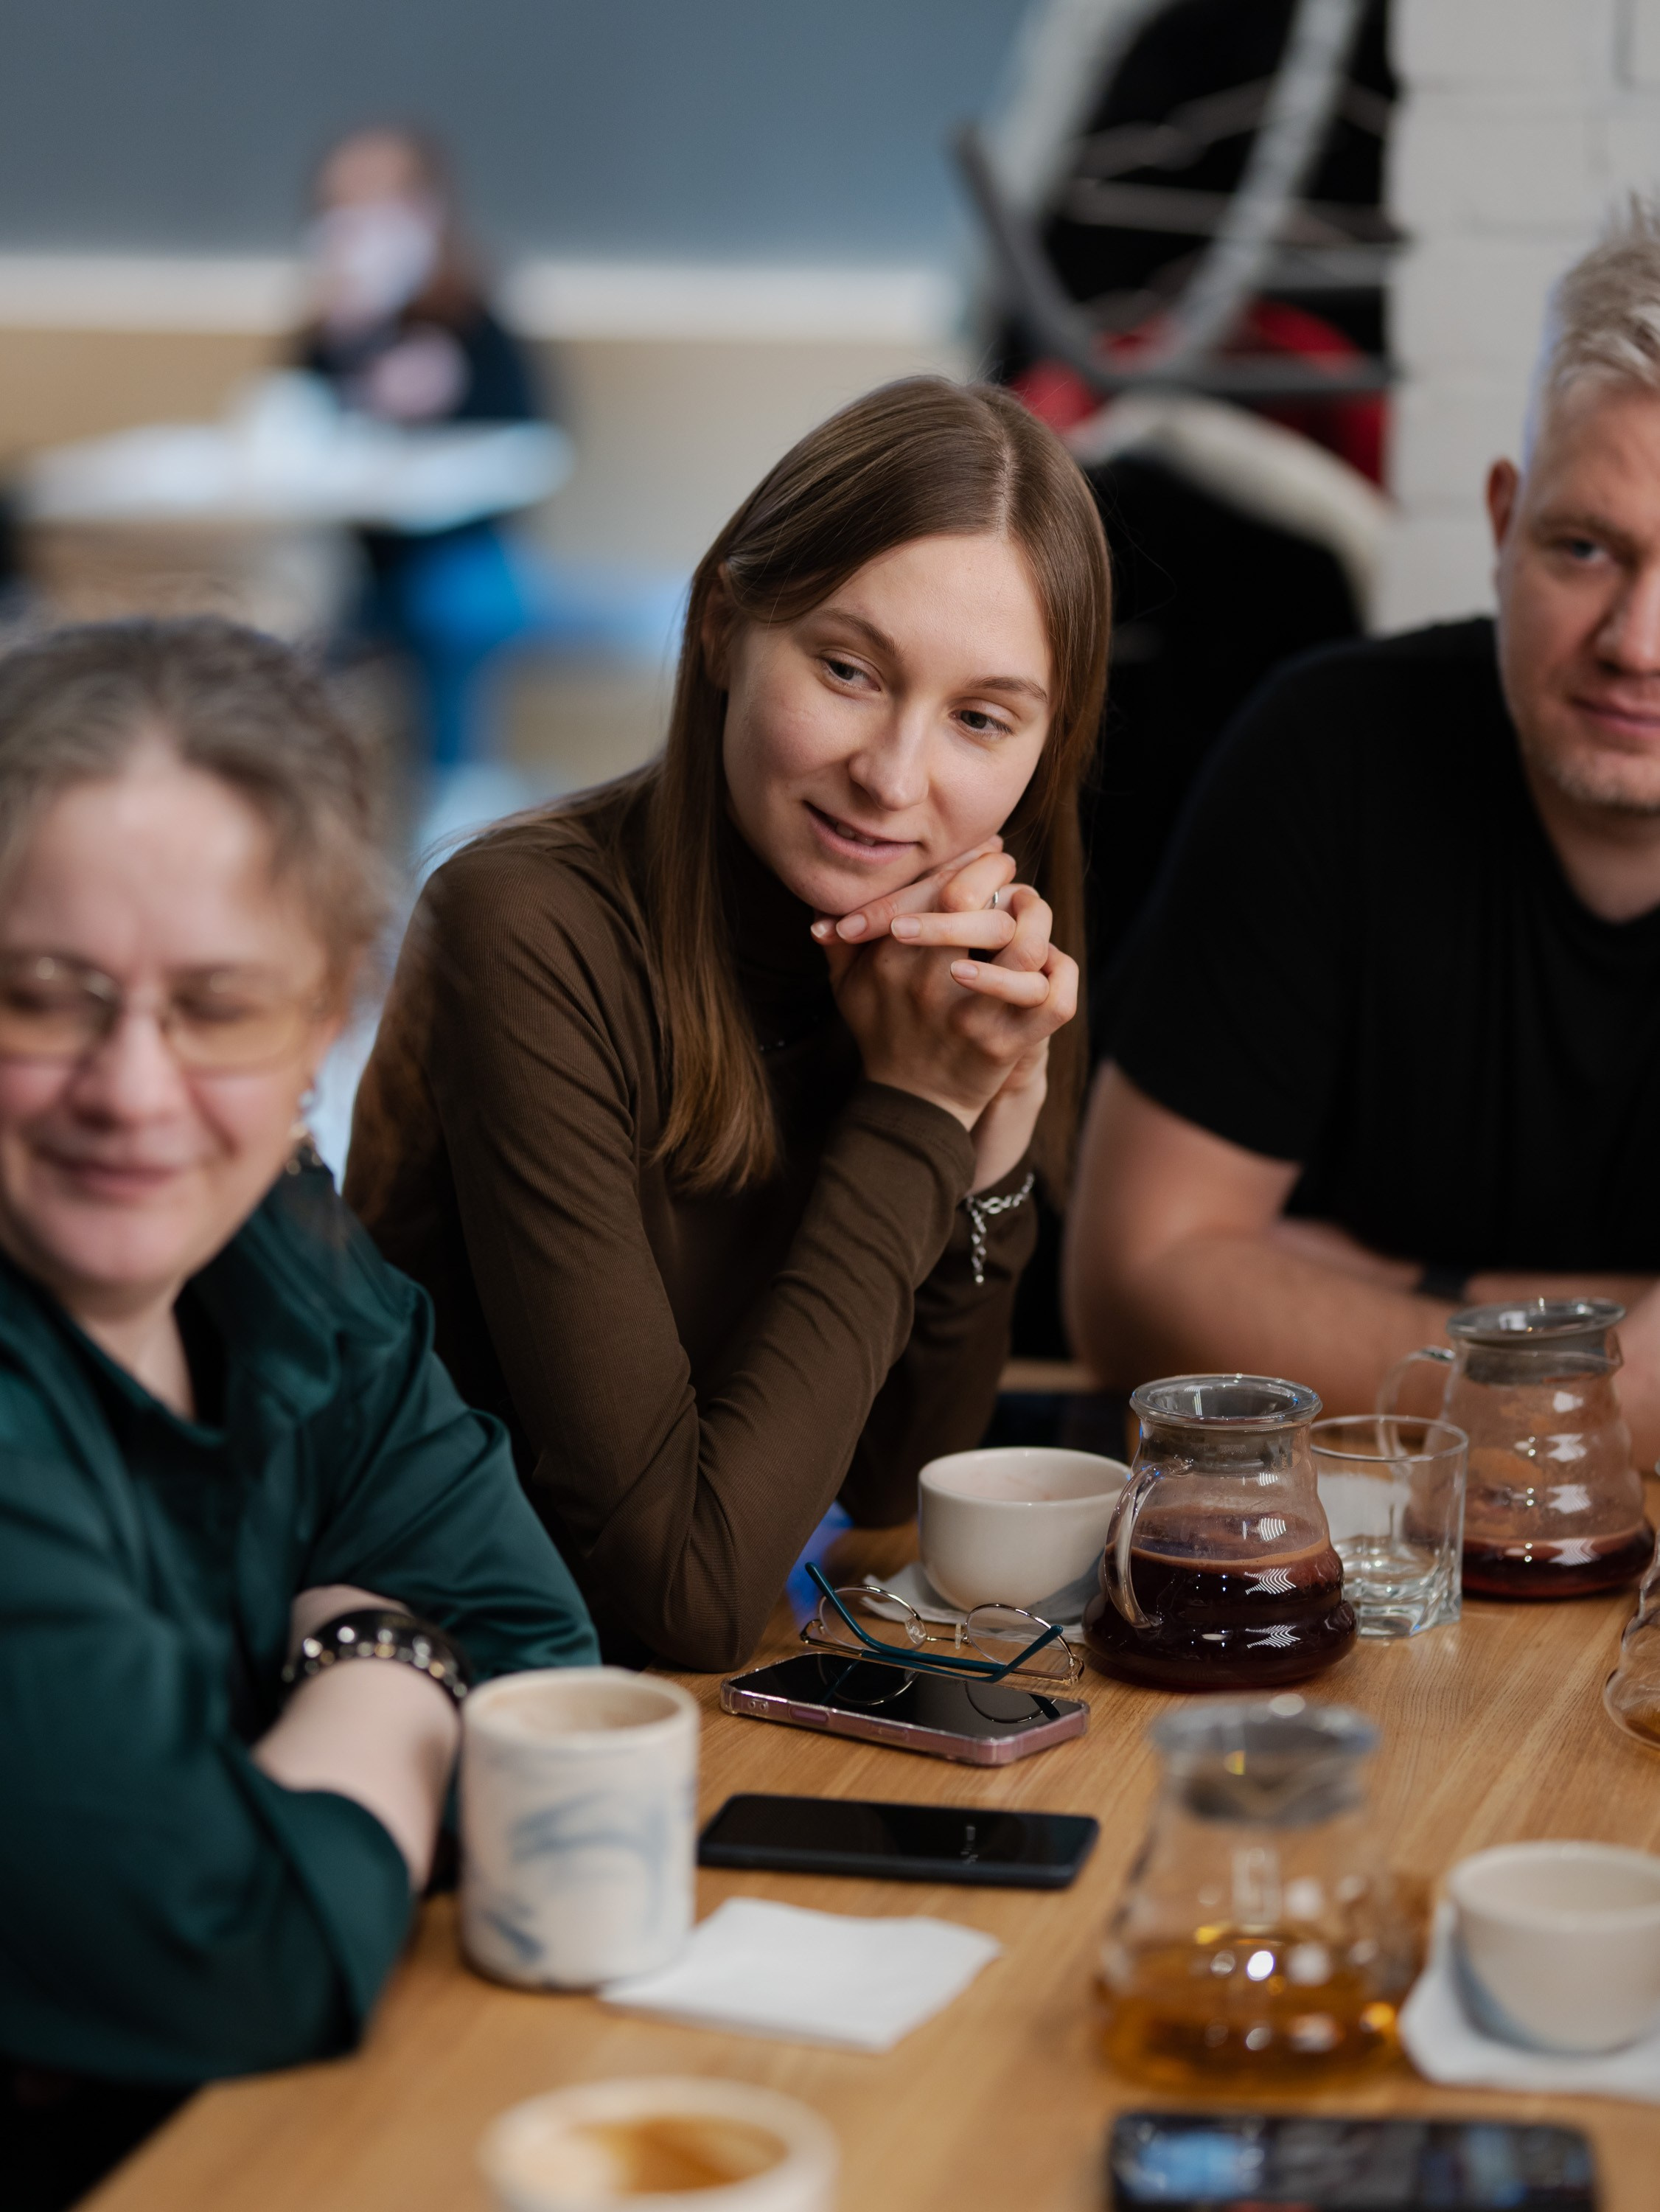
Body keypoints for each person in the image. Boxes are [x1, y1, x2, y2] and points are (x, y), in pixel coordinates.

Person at [346, 378, 1110, 1671]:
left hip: (696, 1702)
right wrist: (918, 1110)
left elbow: (892, 1484)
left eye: (980, 718)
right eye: (849, 670)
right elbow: (679, 1595)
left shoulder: (964, 958)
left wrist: (987, 1157)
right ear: (719, 625)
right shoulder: (524, 926)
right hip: (463, 1684)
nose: (894, 775)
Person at [0, 619, 596, 2212]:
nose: (133, 1090)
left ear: (323, 1017)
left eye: (216, 1006)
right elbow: (236, 1953)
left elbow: (539, 1667)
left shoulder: (273, 1244)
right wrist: (391, 1672)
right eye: (47, 999)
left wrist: (277, 1783)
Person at [1064, 198, 1660, 1467]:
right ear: (1502, 529)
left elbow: (1203, 1287)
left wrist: (1398, 1282)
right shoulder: (1328, 751)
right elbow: (1129, 1293)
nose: (1634, 643)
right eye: (1583, 549)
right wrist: (1616, 1359)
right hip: (1343, 1553)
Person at [296, 125, 555, 768]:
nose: (359, 227)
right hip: (355, 567)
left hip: (459, 559)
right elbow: (298, 429)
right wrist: (348, 341)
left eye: (380, 203)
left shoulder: (471, 320)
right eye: (341, 208)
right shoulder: (328, 331)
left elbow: (530, 436)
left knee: (455, 614)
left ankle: (454, 796)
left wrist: (444, 393)